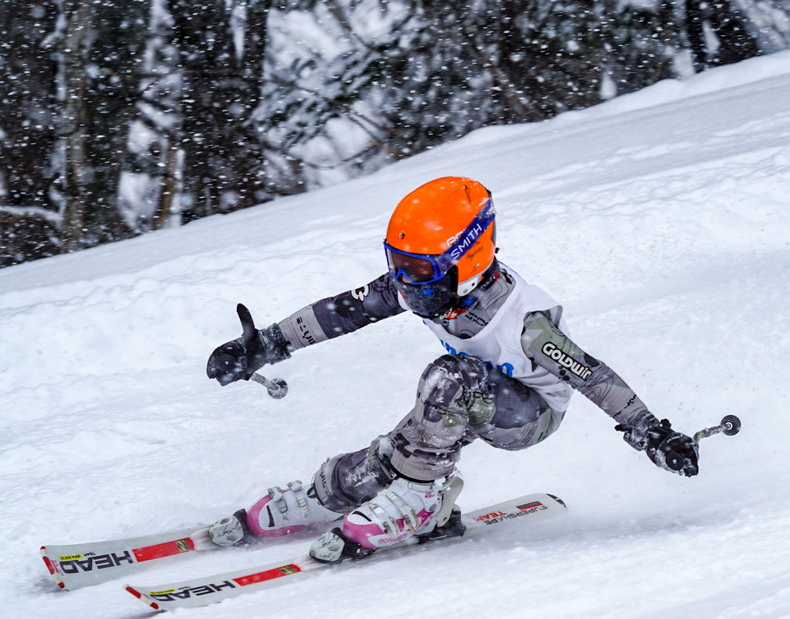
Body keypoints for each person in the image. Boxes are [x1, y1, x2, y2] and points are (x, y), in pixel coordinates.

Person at [206, 176, 698, 563]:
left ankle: (421, 499)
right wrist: (266, 345)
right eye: (398, 264)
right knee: (392, 455)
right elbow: (344, 311)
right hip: (468, 393)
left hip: (528, 414)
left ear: (467, 259)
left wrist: (651, 433)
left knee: (449, 378)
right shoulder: (426, 287)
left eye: (419, 268)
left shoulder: (526, 323)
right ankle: (331, 494)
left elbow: (592, 376)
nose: (405, 282)